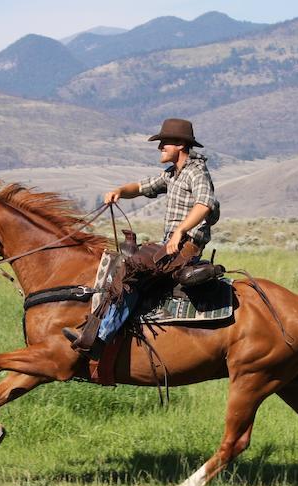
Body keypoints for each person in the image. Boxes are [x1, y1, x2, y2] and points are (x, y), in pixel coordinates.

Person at [63, 117, 220, 358]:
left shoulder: (196, 172)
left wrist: (180, 231)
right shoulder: (172, 175)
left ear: (180, 144)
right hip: (171, 244)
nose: (160, 148)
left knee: (133, 271)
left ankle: (102, 336)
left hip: (186, 247)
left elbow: (204, 204)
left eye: (164, 143)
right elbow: (140, 186)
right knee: (127, 263)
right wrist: (119, 191)